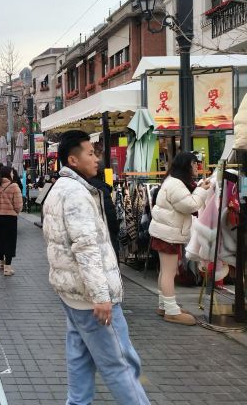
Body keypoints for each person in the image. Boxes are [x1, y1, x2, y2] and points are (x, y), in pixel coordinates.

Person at [42, 130, 149, 404]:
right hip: (91, 296)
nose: (96, 159)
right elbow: (86, 247)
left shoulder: (61, 189)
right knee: (119, 363)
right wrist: (101, 296)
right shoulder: (76, 193)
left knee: (80, 356)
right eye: (90, 153)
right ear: (73, 160)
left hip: (73, 292)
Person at [149, 151, 209, 326]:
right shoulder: (175, 184)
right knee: (169, 272)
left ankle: (165, 306)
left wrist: (198, 188)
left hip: (166, 232)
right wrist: (201, 190)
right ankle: (171, 311)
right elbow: (190, 205)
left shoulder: (172, 181)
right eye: (194, 164)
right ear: (186, 165)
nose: (197, 167)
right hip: (168, 234)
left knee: (165, 271)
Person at [0, 166, 23, 276]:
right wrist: (15, 211)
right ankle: (7, 267)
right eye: (12, 173)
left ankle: (1, 262)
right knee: (10, 241)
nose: (13, 174)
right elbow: (18, 205)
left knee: (0, 239)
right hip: (10, 217)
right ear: (8, 174)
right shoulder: (14, 186)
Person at [88, 164, 120, 260]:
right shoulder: (102, 189)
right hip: (106, 235)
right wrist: (115, 230)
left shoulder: (81, 186)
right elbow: (110, 215)